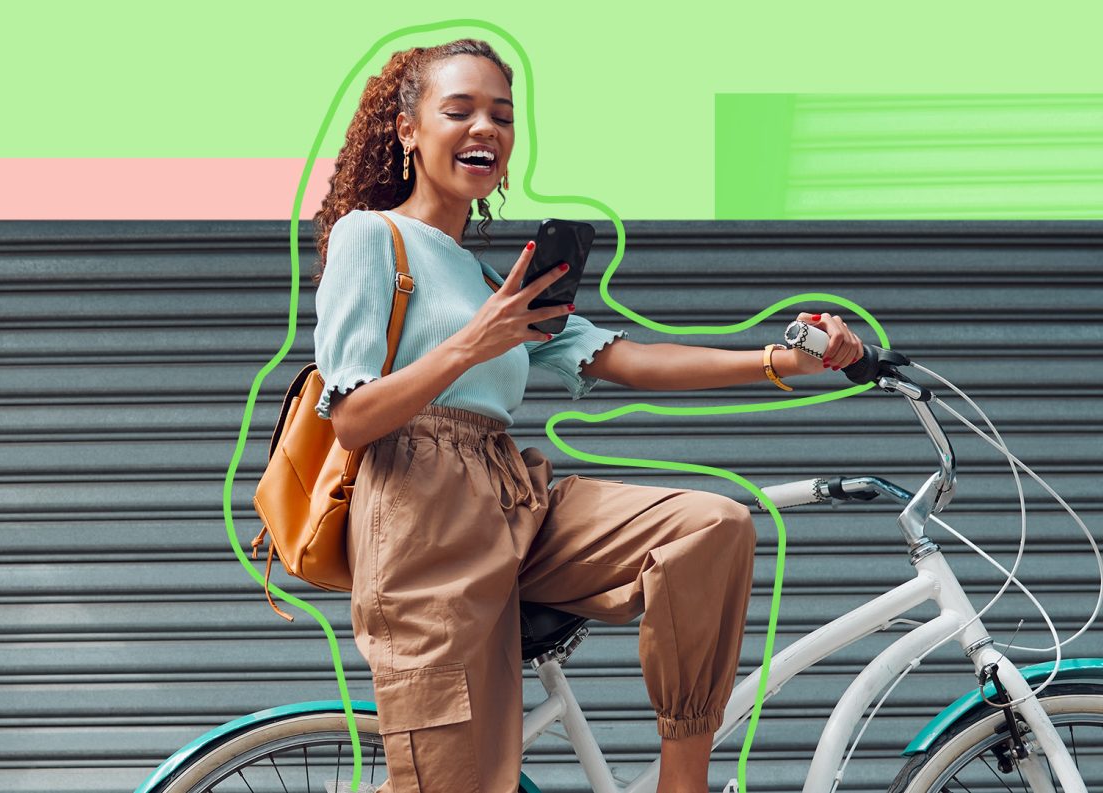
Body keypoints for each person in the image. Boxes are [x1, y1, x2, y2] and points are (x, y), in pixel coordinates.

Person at [310, 39, 864, 793]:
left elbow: (622, 357)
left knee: (710, 526)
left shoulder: (484, 277)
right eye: (459, 110)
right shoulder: (372, 239)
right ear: (408, 129)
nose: (486, 129)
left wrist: (779, 361)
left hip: (510, 494)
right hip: (418, 524)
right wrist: (474, 342)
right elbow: (351, 417)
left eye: (502, 116)